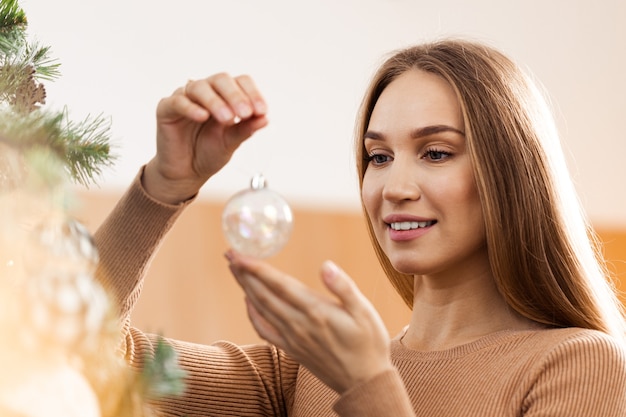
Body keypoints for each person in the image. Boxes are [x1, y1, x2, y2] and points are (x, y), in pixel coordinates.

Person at [94, 38, 626, 416]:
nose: (393, 186)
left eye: (435, 152)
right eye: (378, 156)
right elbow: (82, 348)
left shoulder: (579, 367)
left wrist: (368, 388)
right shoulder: (305, 373)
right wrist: (165, 183)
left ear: (512, 172)